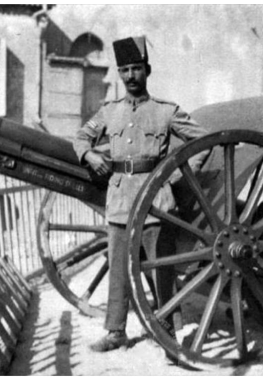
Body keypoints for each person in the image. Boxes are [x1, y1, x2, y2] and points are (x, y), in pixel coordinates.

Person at [73, 36, 209, 352]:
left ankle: (168, 334)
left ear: (147, 70)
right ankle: (116, 332)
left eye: (136, 69)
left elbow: (203, 140)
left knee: (161, 269)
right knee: (118, 269)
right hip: (120, 200)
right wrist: (89, 155)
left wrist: (176, 177)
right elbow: (81, 137)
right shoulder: (109, 112)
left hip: (157, 202)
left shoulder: (166, 112)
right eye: (125, 70)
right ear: (119, 74)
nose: (131, 76)